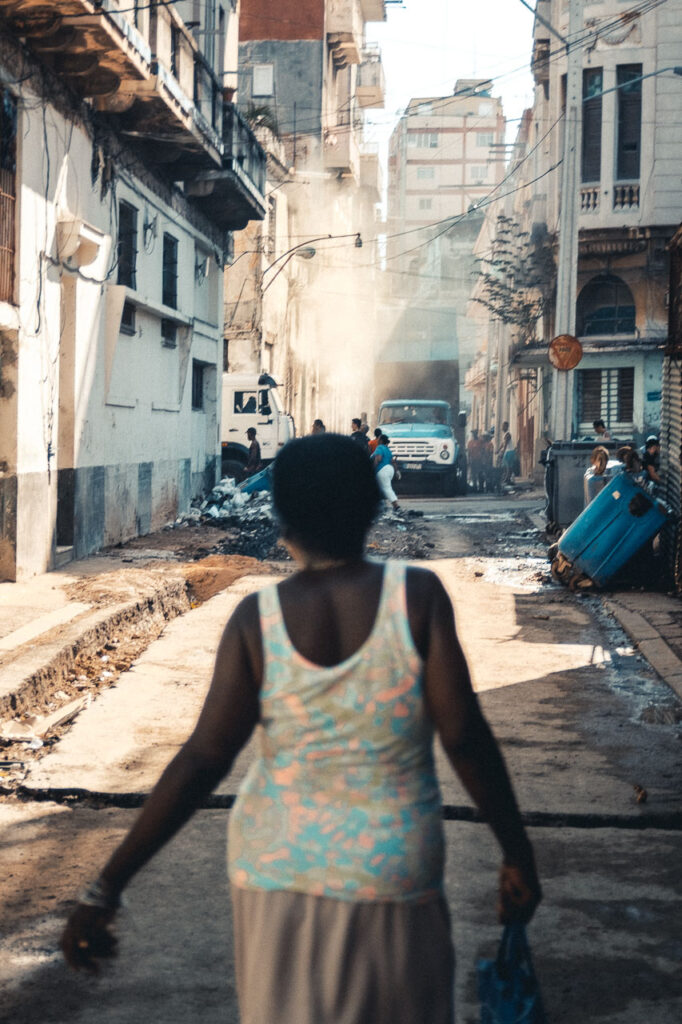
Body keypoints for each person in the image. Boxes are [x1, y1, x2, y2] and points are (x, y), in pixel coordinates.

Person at [61, 433, 541, 1024]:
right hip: (392, 866)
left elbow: (203, 761)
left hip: (275, 869)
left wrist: (105, 886)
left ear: (282, 516)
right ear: (371, 506)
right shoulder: (416, 597)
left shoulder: (256, 620)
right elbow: (464, 737)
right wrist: (518, 854)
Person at [372, 432, 401, 511]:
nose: (377, 440)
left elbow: (378, 459)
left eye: (378, 439)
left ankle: (396, 505)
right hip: (390, 469)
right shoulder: (387, 449)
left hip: (382, 470)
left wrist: (372, 470)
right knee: (380, 487)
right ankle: (380, 504)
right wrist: (397, 471)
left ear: (381, 440)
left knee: (386, 488)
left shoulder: (380, 447)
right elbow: (393, 461)